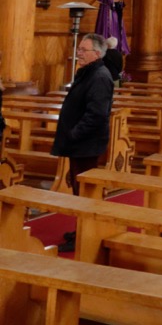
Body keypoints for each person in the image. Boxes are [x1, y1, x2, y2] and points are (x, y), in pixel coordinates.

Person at [51, 33, 114, 250]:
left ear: (96, 53)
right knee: (79, 190)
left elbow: (96, 114)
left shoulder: (99, 77)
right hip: (80, 145)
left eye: (83, 50)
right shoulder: (88, 73)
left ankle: (86, 236)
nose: (79, 53)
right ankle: (81, 229)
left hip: (87, 144)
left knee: (85, 192)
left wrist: (74, 134)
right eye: (79, 49)